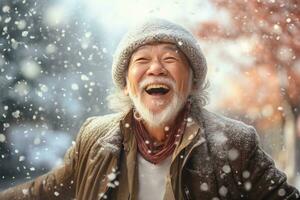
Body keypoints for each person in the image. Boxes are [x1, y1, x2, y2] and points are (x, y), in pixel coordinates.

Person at [0, 18, 299, 200]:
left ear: (193, 82)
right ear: (127, 84)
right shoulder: (94, 136)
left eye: (170, 59)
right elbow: (46, 192)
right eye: (142, 61)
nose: (156, 68)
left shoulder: (235, 143)